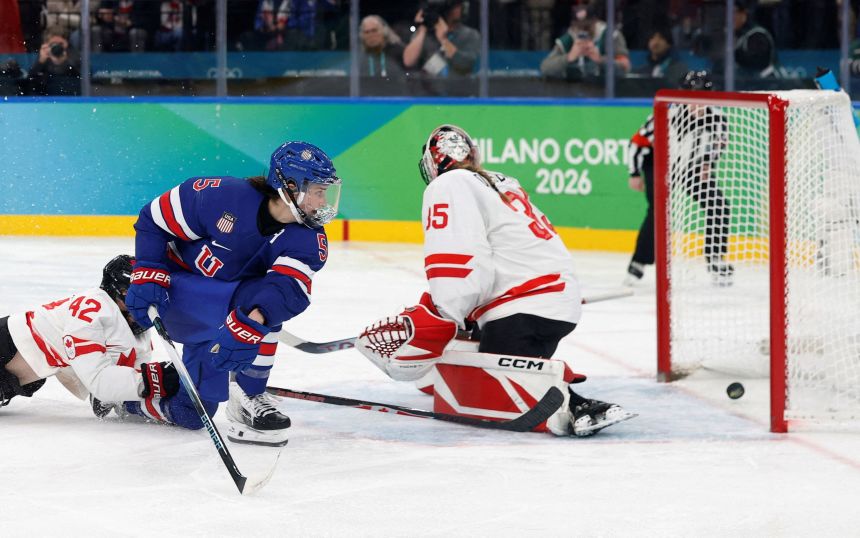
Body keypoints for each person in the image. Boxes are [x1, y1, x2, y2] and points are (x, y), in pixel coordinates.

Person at [356, 125, 632, 437]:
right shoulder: (498, 182)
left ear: (434, 165)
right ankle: (553, 387)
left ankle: (573, 404)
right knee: (473, 360)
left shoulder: (450, 184)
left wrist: (445, 312)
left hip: (520, 309)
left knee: (485, 388)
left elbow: (461, 260)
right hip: (553, 302)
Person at [118, 141, 342, 447]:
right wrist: (148, 269)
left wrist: (251, 323)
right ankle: (249, 396)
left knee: (194, 412)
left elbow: (288, 289)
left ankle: (134, 395)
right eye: (317, 190)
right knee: (259, 311)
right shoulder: (220, 196)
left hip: (219, 312)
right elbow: (153, 220)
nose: (322, 201)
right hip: (172, 296)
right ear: (289, 186)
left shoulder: (307, 239)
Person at [0, 255, 179, 417]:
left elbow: (112, 393)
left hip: (14, 376)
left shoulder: (136, 329)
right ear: (113, 289)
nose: (137, 306)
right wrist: (154, 380)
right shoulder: (93, 309)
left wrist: (161, 389)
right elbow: (100, 383)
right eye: (128, 296)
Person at [539, 4, 630, 82]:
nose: (584, 31)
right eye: (580, 27)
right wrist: (569, 57)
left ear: (595, 22)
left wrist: (600, 60)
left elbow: (625, 68)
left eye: (587, 27)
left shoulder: (610, 36)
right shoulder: (568, 39)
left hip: (604, 91)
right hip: (573, 91)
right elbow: (545, 68)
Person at [402, 0, 480, 78]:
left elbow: (465, 64)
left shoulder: (469, 34)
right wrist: (423, 27)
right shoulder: (426, 34)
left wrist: (443, 40)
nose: (460, 9)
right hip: (428, 87)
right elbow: (408, 61)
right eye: (456, 6)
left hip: (458, 87)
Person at [25, 27, 81, 96]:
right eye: (53, 44)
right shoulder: (45, 54)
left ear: (66, 43)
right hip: (47, 96)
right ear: (46, 44)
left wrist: (67, 62)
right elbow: (30, 79)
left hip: (71, 95)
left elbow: (84, 77)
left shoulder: (73, 54)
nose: (57, 47)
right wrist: (40, 62)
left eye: (60, 44)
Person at [733, 0, 780, 79]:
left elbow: (758, 63)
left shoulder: (757, 35)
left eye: (734, 13)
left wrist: (734, 55)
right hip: (746, 84)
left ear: (743, 14)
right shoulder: (735, 34)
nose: (730, 18)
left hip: (766, 83)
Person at [359, 15, 405, 80]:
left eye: (374, 30)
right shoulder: (361, 58)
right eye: (367, 32)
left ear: (384, 31)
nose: (370, 35)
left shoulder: (399, 52)